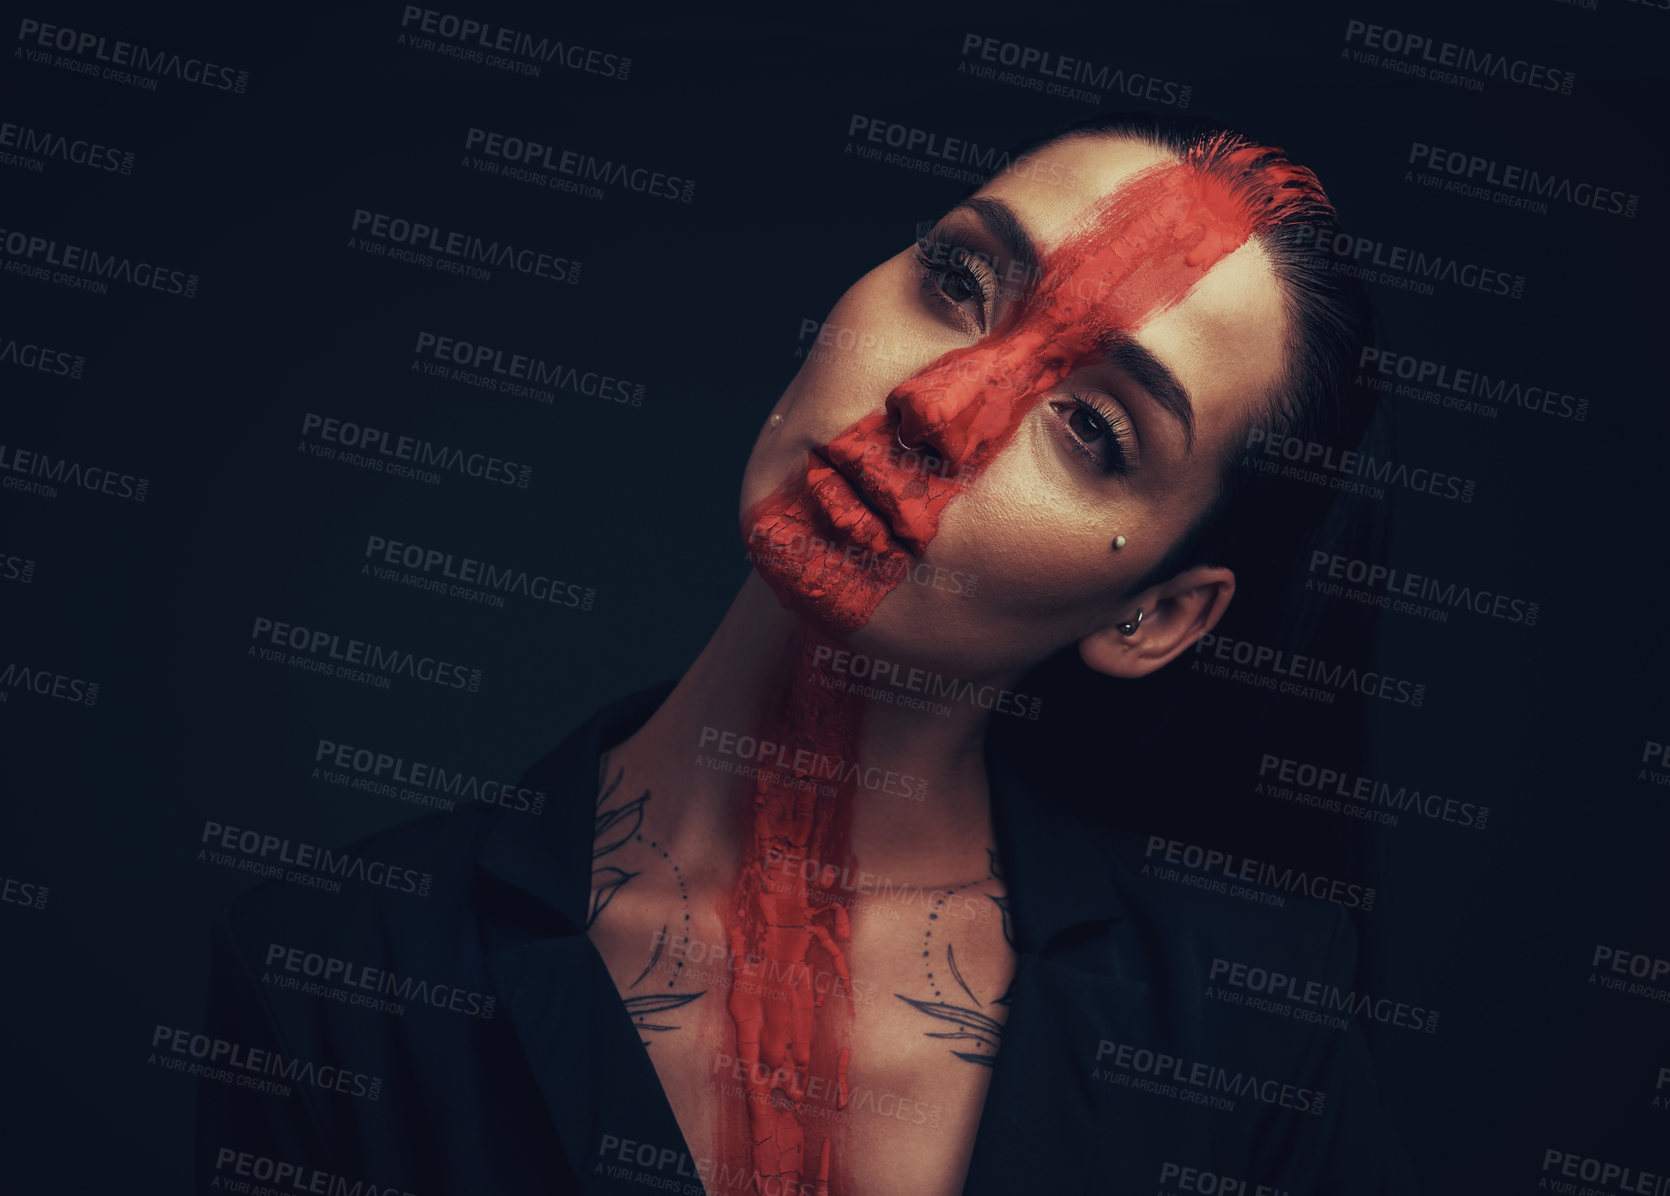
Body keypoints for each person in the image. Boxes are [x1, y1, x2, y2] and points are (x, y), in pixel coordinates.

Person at [197, 112, 1417, 1196]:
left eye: (1091, 426)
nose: (938, 407)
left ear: (1152, 614)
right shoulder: (340, 976)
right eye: (955, 277)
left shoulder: (1254, 1036)